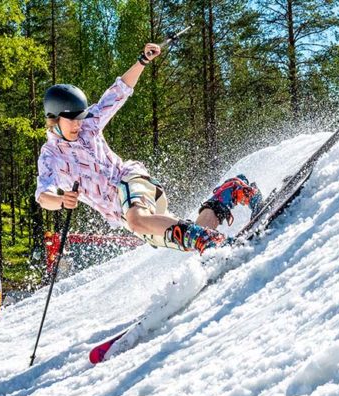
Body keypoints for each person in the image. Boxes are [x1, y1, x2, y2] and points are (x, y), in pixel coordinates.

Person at [35, 43, 263, 254]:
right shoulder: (50, 155)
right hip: (124, 214)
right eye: (71, 119)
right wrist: (62, 200)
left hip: (130, 182)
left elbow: (118, 91)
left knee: (139, 219)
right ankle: (228, 193)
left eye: (80, 118)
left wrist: (142, 61)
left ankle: (214, 240)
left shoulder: (90, 124)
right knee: (190, 237)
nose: (78, 124)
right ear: (54, 118)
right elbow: (43, 196)